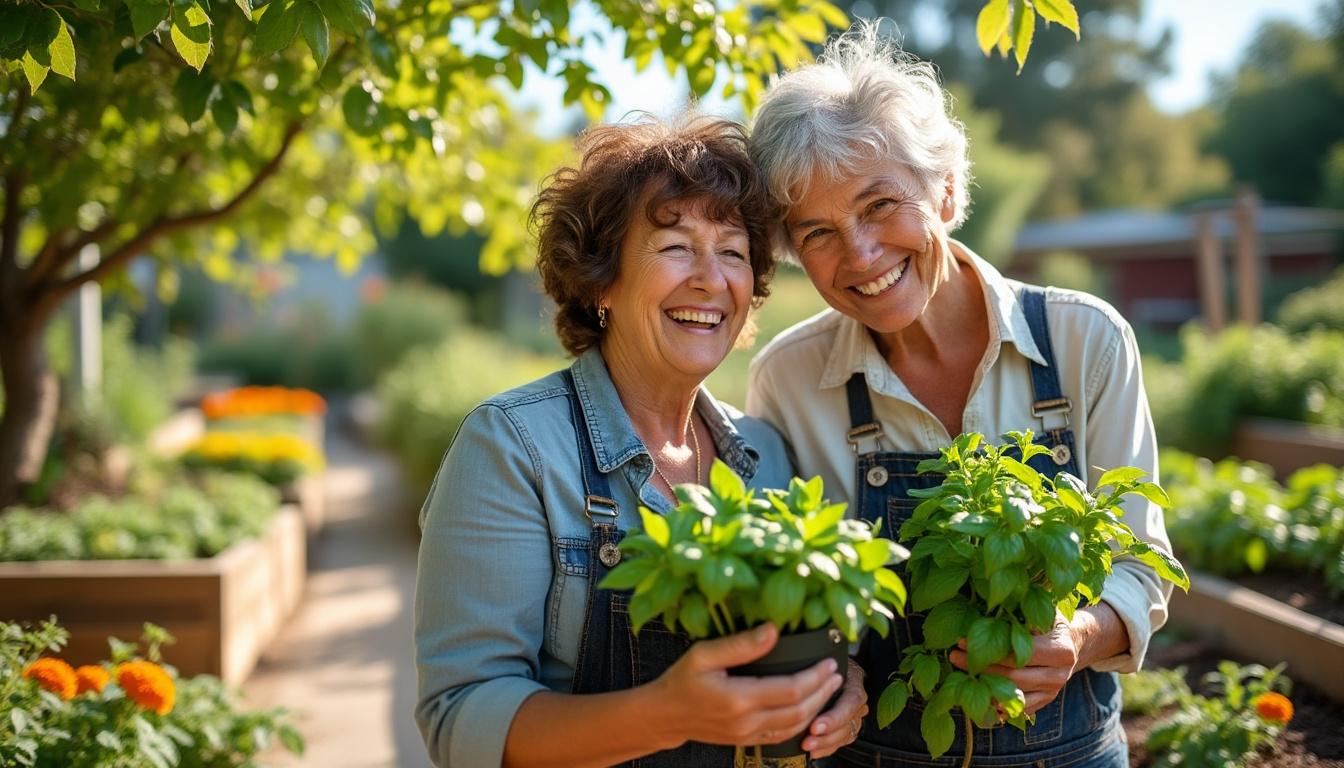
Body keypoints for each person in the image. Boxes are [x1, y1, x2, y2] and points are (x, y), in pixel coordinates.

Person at [745, 26, 1178, 767]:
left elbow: (1140, 562)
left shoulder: (1083, 342)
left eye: (880, 204)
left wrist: (1078, 637)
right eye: (818, 232)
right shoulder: (788, 378)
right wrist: (834, 676)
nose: (861, 253)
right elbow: (801, 598)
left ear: (945, 190)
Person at [414, 114, 869, 768]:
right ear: (601, 280)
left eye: (733, 252)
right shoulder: (514, 447)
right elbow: (462, 718)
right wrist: (667, 714)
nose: (712, 278)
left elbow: (804, 636)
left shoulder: (765, 453)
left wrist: (835, 684)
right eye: (676, 246)